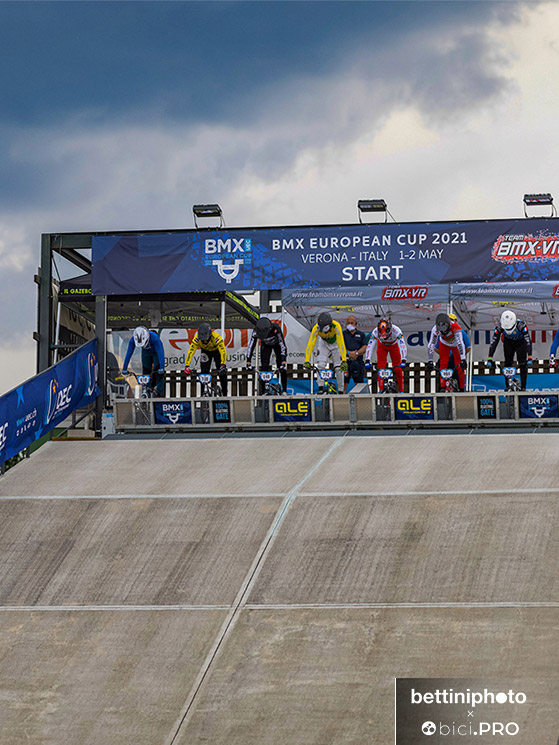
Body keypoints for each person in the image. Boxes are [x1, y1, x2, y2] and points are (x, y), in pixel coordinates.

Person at [486, 310, 532, 390]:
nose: (508, 330)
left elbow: (528, 340)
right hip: (508, 342)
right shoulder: (499, 327)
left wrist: (530, 357)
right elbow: (494, 341)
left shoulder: (521, 326)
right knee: (507, 363)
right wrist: (490, 358)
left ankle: (523, 387)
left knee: (522, 363)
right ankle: (508, 386)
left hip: (520, 342)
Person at [304, 312, 348, 393]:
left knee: (338, 368)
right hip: (323, 343)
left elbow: (341, 343)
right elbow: (310, 344)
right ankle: (320, 388)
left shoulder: (336, 326)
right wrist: (306, 360)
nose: (324, 333)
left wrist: (344, 360)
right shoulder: (316, 328)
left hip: (336, 344)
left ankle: (341, 390)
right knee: (321, 365)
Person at [364, 318, 407, 392]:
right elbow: (370, 346)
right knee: (380, 367)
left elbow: (402, 345)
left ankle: (401, 390)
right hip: (382, 346)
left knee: (397, 368)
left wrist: (404, 359)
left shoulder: (396, 330)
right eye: (381, 335)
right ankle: (381, 389)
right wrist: (367, 360)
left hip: (394, 345)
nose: (384, 336)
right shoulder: (375, 331)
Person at [246, 317, 288, 394]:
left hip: (277, 344)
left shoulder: (275, 328)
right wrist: (248, 362)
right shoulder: (255, 331)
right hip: (265, 345)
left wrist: (283, 360)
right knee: (264, 366)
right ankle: (263, 391)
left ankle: (284, 390)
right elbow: (251, 346)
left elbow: (282, 345)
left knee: (282, 367)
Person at [184, 322, 228, 395]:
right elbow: (191, 351)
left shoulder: (216, 337)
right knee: (203, 373)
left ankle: (225, 393)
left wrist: (223, 364)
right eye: (202, 339)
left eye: (206, 339)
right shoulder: (196, 338)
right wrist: (187, 365)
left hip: (216, 351)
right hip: (205, 351)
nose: (204, 341)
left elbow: (223, 351)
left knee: (222, 373)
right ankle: (203, 393)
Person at [122, 326, 166, 397]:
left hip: (156, 352)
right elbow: (129, 353)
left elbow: (160, 353)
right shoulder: (133, 340)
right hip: (146, 352)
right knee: (146, 370)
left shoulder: (154, 338)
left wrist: (162, 367)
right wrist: (124, 368)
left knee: (158, 371)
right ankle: (147, 388)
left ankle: (158, 391)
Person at [427, 313, 467, 391]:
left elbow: (460, 343)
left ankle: (462, 387)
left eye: (445, 331)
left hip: (456, 344)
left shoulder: (456, 327)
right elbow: (431, 344)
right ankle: (442, 386)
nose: (443, 332)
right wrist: (430, 360)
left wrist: (463, 359)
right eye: (441, 331)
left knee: (460, 366)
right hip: (444, 344)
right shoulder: (435, 329)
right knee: (443, 364)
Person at [342, 315, 368, 393]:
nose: (350, 324)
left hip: (358, 361)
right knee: (344, 382)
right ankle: (342, 397)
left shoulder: (361, 334)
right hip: (345, 361)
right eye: (348, 323)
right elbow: (340, 347)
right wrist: (349, 353)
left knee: (358, 382)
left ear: (355, 323)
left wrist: (356, 353)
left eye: (352, 323)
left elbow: (364, 347)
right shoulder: (342, 334)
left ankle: (359, 398)